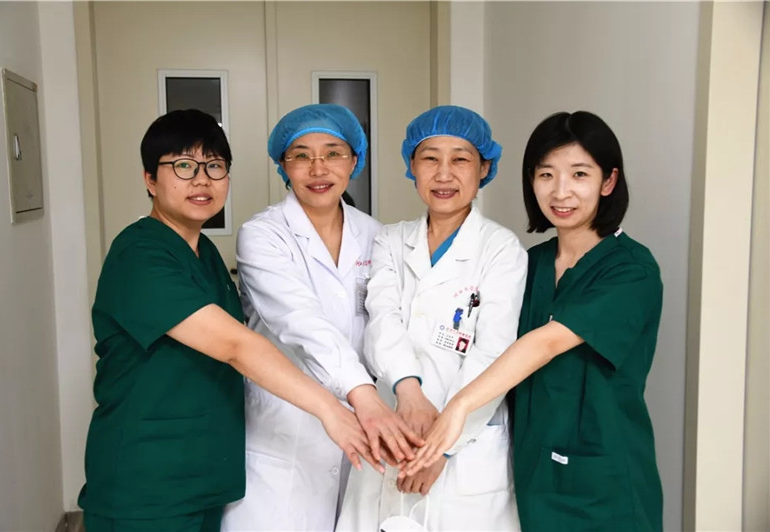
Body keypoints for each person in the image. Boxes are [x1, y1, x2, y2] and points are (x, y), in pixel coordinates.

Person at [78, 109, 377, 532]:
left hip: (204, 475)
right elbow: (236, 345)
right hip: (146, 480)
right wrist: (333, 409)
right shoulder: (139, 255)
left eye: (214, 167)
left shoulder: (206, 258)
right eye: (183, 166)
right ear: (150, 179)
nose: (201, 180)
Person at [402, 111, 664, 531]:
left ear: (608, 181)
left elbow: (546, 342)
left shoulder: (630, 269)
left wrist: (459, 408)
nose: (561, 191)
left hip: (604, 478)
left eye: (579, 174)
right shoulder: (531, 263)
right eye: (546, 175)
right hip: (532, 472)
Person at [221, 104, 421, 532]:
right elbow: (302, 322)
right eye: (301, 155)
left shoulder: (375, 235)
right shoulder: (263, 235)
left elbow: (387, 323)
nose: (318, 168)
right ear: (283, 165)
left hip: (362, 431)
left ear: (354, 161)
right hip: (284, 431)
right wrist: (364, 397)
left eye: (333, 153)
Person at [336, 106, 527, 531]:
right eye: (429, 158)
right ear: (412, 166)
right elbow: (382, 319)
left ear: (484, 168)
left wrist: (443, 446)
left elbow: (495, 352)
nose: (444, 174)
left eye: (460, 159)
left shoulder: (501, 249)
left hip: (467, 444)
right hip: (393, 424)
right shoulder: (390, 239)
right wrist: (408, 392)